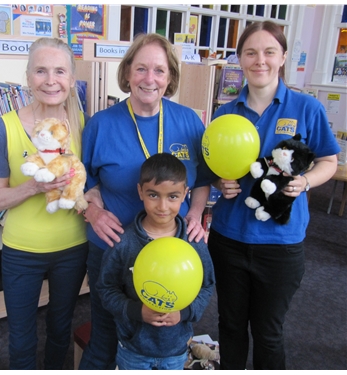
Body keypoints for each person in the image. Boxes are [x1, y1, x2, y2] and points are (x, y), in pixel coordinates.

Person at [207, 21, 340, 370]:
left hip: (281, 242)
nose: (260, 60)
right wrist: (222, 183)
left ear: (282, 57)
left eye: (269, 52)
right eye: (250, 52)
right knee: (231, 326)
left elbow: (328, 160)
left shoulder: (306, 108)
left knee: (268, 333)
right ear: (240, 58)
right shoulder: (225, 113)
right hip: (229, 238)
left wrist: (307, 182)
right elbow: (213, 167)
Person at [79, 33, 213, 369]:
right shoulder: (100, 124)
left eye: (159, 70)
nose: (149, 79)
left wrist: (196, 214)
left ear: (170, 78)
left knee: (166, 333)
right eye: (140, 69)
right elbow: (81, 182)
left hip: (173, 251)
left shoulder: (189, 122)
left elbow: (205, 179)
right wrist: (93, 213)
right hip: (114, 247)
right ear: (126, 74)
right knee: (106, 334)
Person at [0, 37, 89, 370]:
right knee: (21, 336)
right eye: (41, 71)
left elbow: (90, 182)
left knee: (61, 328)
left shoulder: (82, 124)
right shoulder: (3, 128)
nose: (50, 80)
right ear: (28, 76)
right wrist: (32, 186)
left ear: (71, 80)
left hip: (73, 247)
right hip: (21, 250)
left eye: (60, 71)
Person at [97, 152, 215, 370]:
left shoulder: (193, 241)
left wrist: (185, 313)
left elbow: (207, 285)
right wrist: (135, 311)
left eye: (172, 196)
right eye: (153, 195)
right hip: (133, 348)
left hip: (176, 348)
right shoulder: (124, 242)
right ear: (140, 191)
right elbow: (106, 288)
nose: (162, 206)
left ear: (185, 194)